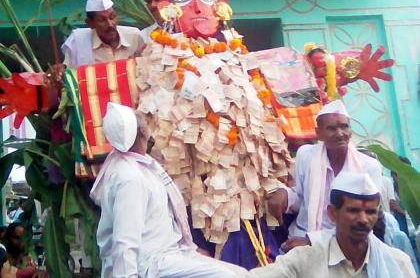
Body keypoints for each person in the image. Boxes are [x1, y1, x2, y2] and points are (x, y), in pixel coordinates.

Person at [89, 102, 247, 278]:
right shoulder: (130, 178)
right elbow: (124, 242)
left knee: (241, 273)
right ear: (143, 132)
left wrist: (188, 250)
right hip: (150, 265)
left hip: (170, 254)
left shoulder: (138, 164)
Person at [247, 173, 417, 278]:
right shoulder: (305, 260)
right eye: (353, 211)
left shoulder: (397, 263)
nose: (363, 219)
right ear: (333, 213)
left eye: (371, 212)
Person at [267, 100, 383, 249]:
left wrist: (314, 241)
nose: (340, 134)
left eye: (344, 127)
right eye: (331, 129)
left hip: (348, 244)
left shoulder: (369, 167)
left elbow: (367, 219)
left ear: (351, 131)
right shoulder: (306, 156)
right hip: (301, 237)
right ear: (318, 133)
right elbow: (302, 198)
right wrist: (285, 194)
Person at [62, 0, 144, 68]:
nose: (110, 24)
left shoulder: (134, 36)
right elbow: (67, 72)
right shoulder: (78, 41)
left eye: (112, 17)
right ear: (90, 23)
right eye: (102, 20)